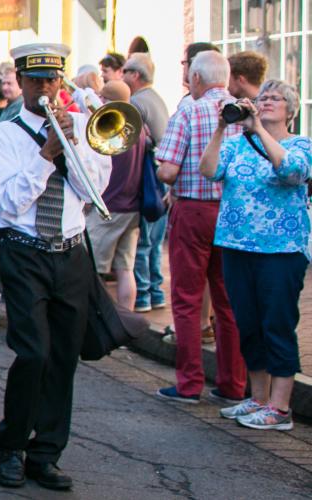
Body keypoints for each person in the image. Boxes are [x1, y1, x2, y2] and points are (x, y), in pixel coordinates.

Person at [0, 41, 110, 491]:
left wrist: (75, 146)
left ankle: (46, 453)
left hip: (71, 252)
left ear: (62, 81)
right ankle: (12, 447)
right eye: (34, 80)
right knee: (32, 352)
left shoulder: (83, 129)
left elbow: (95, 190)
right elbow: (9, 204)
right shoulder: (3, 133)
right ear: (20, 80)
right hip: (25, 250)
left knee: (62, 358)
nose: (44, 89)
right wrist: (45, 155)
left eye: (51, 80)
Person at [198, 80, 309, 431]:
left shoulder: (301, 144)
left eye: (277, 98)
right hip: (236, 245)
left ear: (291, 109)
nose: (269, 102)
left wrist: (259, 128)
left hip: (281, 250)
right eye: (263, 98)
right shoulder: (235, 145)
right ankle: (259, 398)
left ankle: (280, 408)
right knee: (249, 324)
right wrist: (220, 127)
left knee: (277, 323)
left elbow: (291, 172)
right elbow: (209, 170)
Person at [153, 50, 246, 405]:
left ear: (196, 79)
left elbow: (168, 172)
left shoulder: (189, 111)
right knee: (228, 300)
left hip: (193, 210)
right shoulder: (243, 112)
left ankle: (190, 383)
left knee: (188, 300)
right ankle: (233, 384)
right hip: (232, 212)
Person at [85, 81, 146, 310]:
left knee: (95, 270)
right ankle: (125, 319)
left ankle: (101, 320)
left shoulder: (107, 127)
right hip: (131, 206)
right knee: (125, 268)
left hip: (108, 206)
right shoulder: (139, 128)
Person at [121, 53, 171, 313]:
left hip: (149, 179)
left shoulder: (138, 102)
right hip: (160, 179)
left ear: (135, 75)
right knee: (153, 242)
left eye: (125, 70)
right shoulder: (155, 98)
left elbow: (132, 143)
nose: (122, 74)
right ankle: (155, 291)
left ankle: (143, 295)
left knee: (142, 243)